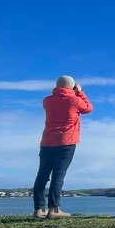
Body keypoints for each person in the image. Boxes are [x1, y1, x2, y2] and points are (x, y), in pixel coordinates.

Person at [32, 76, 93, 219]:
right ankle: (54, 209)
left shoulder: (47, 101)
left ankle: (38, 210)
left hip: (47, 143)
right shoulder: (74, 100)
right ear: (71, 87)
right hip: (66, 142)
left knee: (42, 175)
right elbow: (88, 108)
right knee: (58, 175)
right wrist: (80, 92)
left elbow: (59, 100)